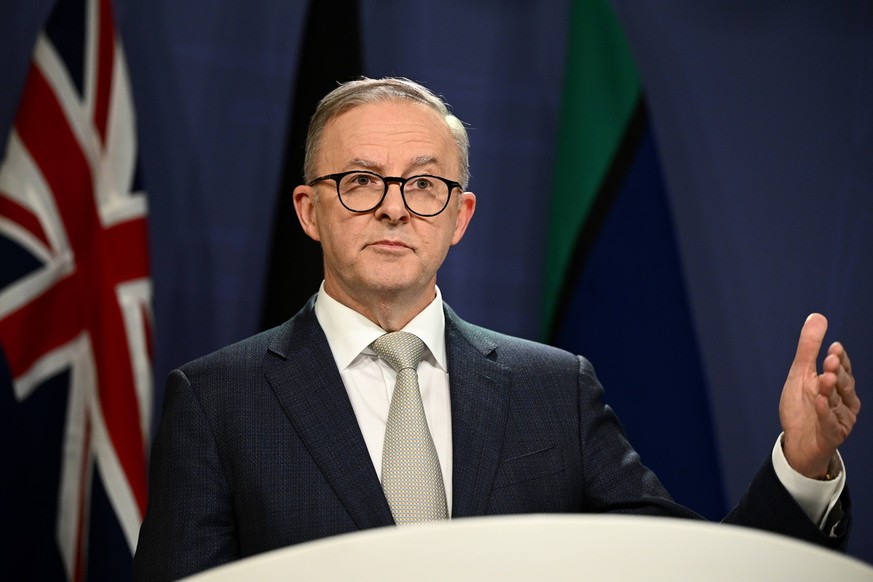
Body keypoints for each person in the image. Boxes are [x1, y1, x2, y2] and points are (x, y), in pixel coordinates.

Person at [133, 77, 860, 580]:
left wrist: (800, 461)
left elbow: (685, 570)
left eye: (423, 184)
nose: (394, 208)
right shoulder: (216, 400)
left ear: (460, 217)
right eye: (360, 180)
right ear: (308, 210)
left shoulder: (553, 390)